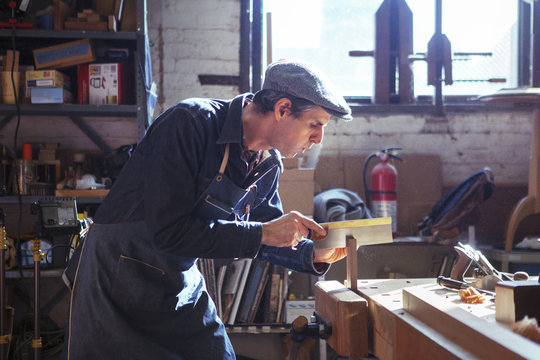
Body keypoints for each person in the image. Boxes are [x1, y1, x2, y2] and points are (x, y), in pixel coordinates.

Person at [62, 59, 352, 359]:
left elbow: (264, 236)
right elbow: (169, 231)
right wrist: (264, 232)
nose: (318, 138)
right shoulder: (189, 123)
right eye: (314, 125)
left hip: (177, 277)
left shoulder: (267, 164)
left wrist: (310, 253)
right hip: (118, 273)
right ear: (282, 109)